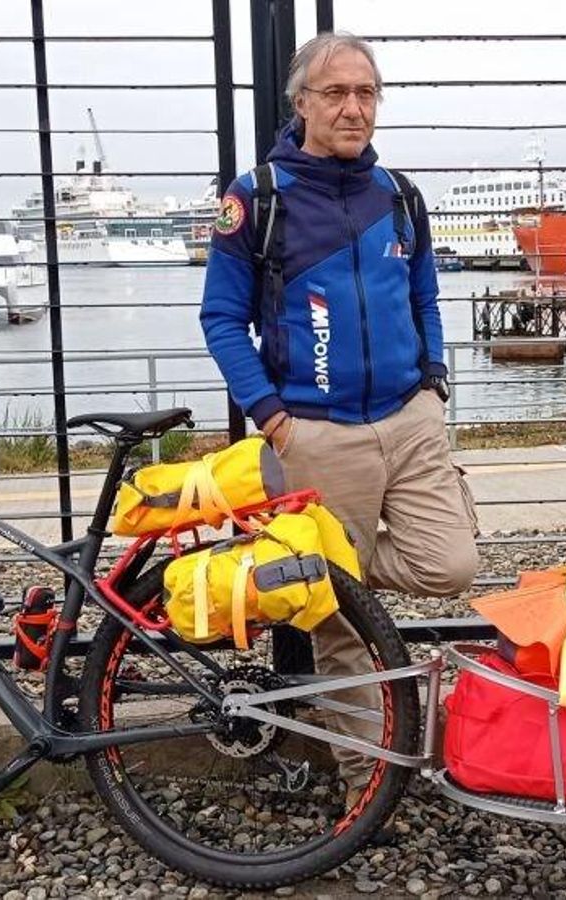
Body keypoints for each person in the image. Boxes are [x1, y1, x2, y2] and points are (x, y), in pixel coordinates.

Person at [199, 31, 480, 808]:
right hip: (317, 436)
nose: (354, 108)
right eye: (335, 93)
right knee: (339, 629)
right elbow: (222, 319)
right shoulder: (258, 198)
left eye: (366, 93)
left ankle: (311, 568)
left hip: (411, 419)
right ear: (301, 104)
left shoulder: (399, 196)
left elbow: (424, 296)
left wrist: (434, 383)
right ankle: (366, 783)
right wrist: (275, 420)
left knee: (450, 564)